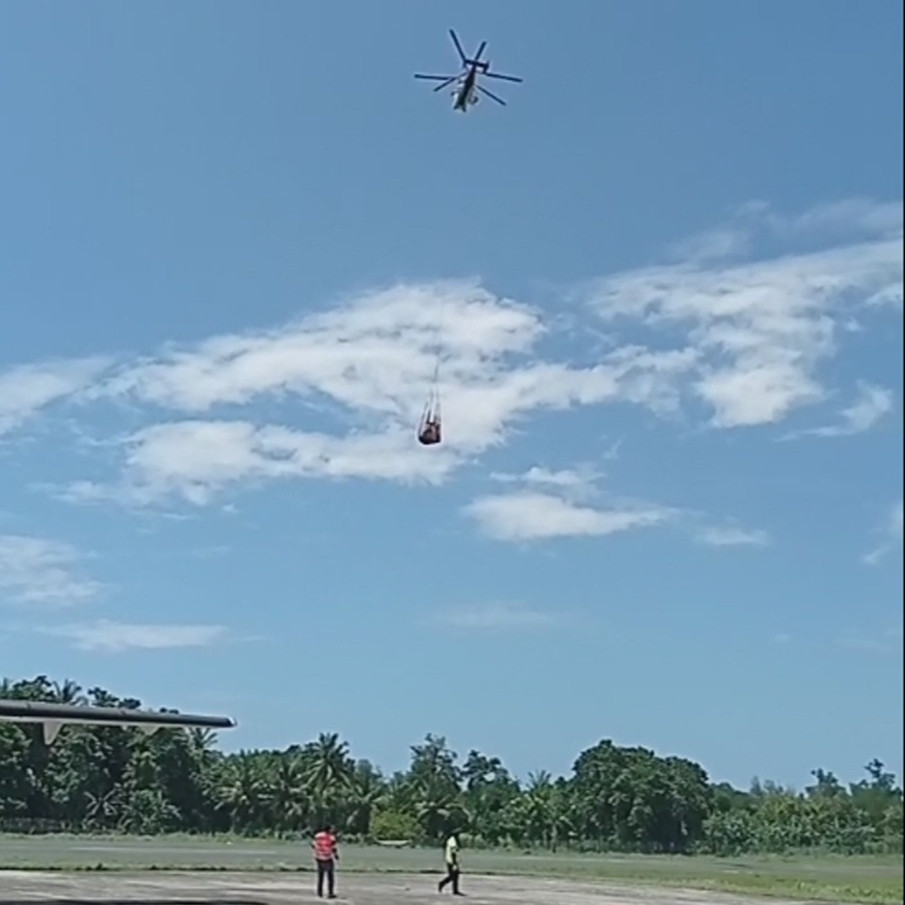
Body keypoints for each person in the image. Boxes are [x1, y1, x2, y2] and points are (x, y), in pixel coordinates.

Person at [312, 824, 339, 899]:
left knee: (320, 876)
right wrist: (336, 855)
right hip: (328, 857)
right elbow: (334, 848)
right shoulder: (331, 837)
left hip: (319, 857)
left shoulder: (318, 836)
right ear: (329, 830)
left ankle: (319, 892)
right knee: (330, 876)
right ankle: (330, 892)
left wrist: (318, 851)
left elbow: (313, 845)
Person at [437, 830, 463, 895]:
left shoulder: (451, 840)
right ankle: (442, 883)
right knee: (453, 876)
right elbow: (453, 853)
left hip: (450, 860)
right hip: (451, 861)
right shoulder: (452, 841)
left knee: (454, 876)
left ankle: (455, 890)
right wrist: (455, 864)